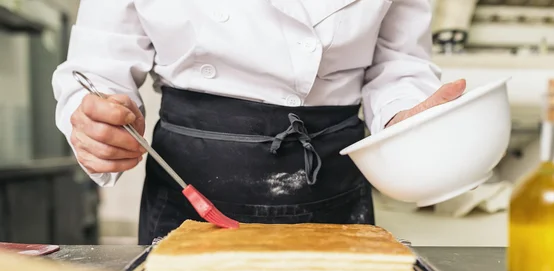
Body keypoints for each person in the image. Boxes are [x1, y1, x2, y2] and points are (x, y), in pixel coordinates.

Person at [52, 1, 466, 245]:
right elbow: (100, 64)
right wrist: (96, 118)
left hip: (332, 174)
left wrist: (404, 116)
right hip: (191, 182)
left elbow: (399, 60)